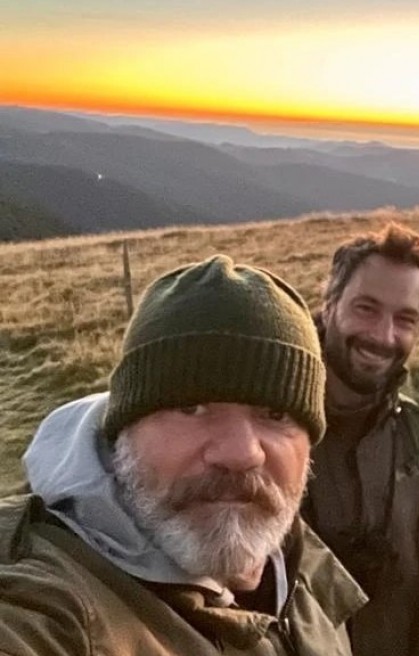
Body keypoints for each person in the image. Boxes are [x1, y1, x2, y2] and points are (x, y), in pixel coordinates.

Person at [0, 255, 366, 655]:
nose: (241, 454)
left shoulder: (302, 571)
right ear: (124, 430)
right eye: (191, 408)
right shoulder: (51, 606)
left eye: (276, 414)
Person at [301, 223, 419, 656]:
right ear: (330, 303)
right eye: (367, 309)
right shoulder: (271, 427)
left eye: (405, 319)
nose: (384, 336)